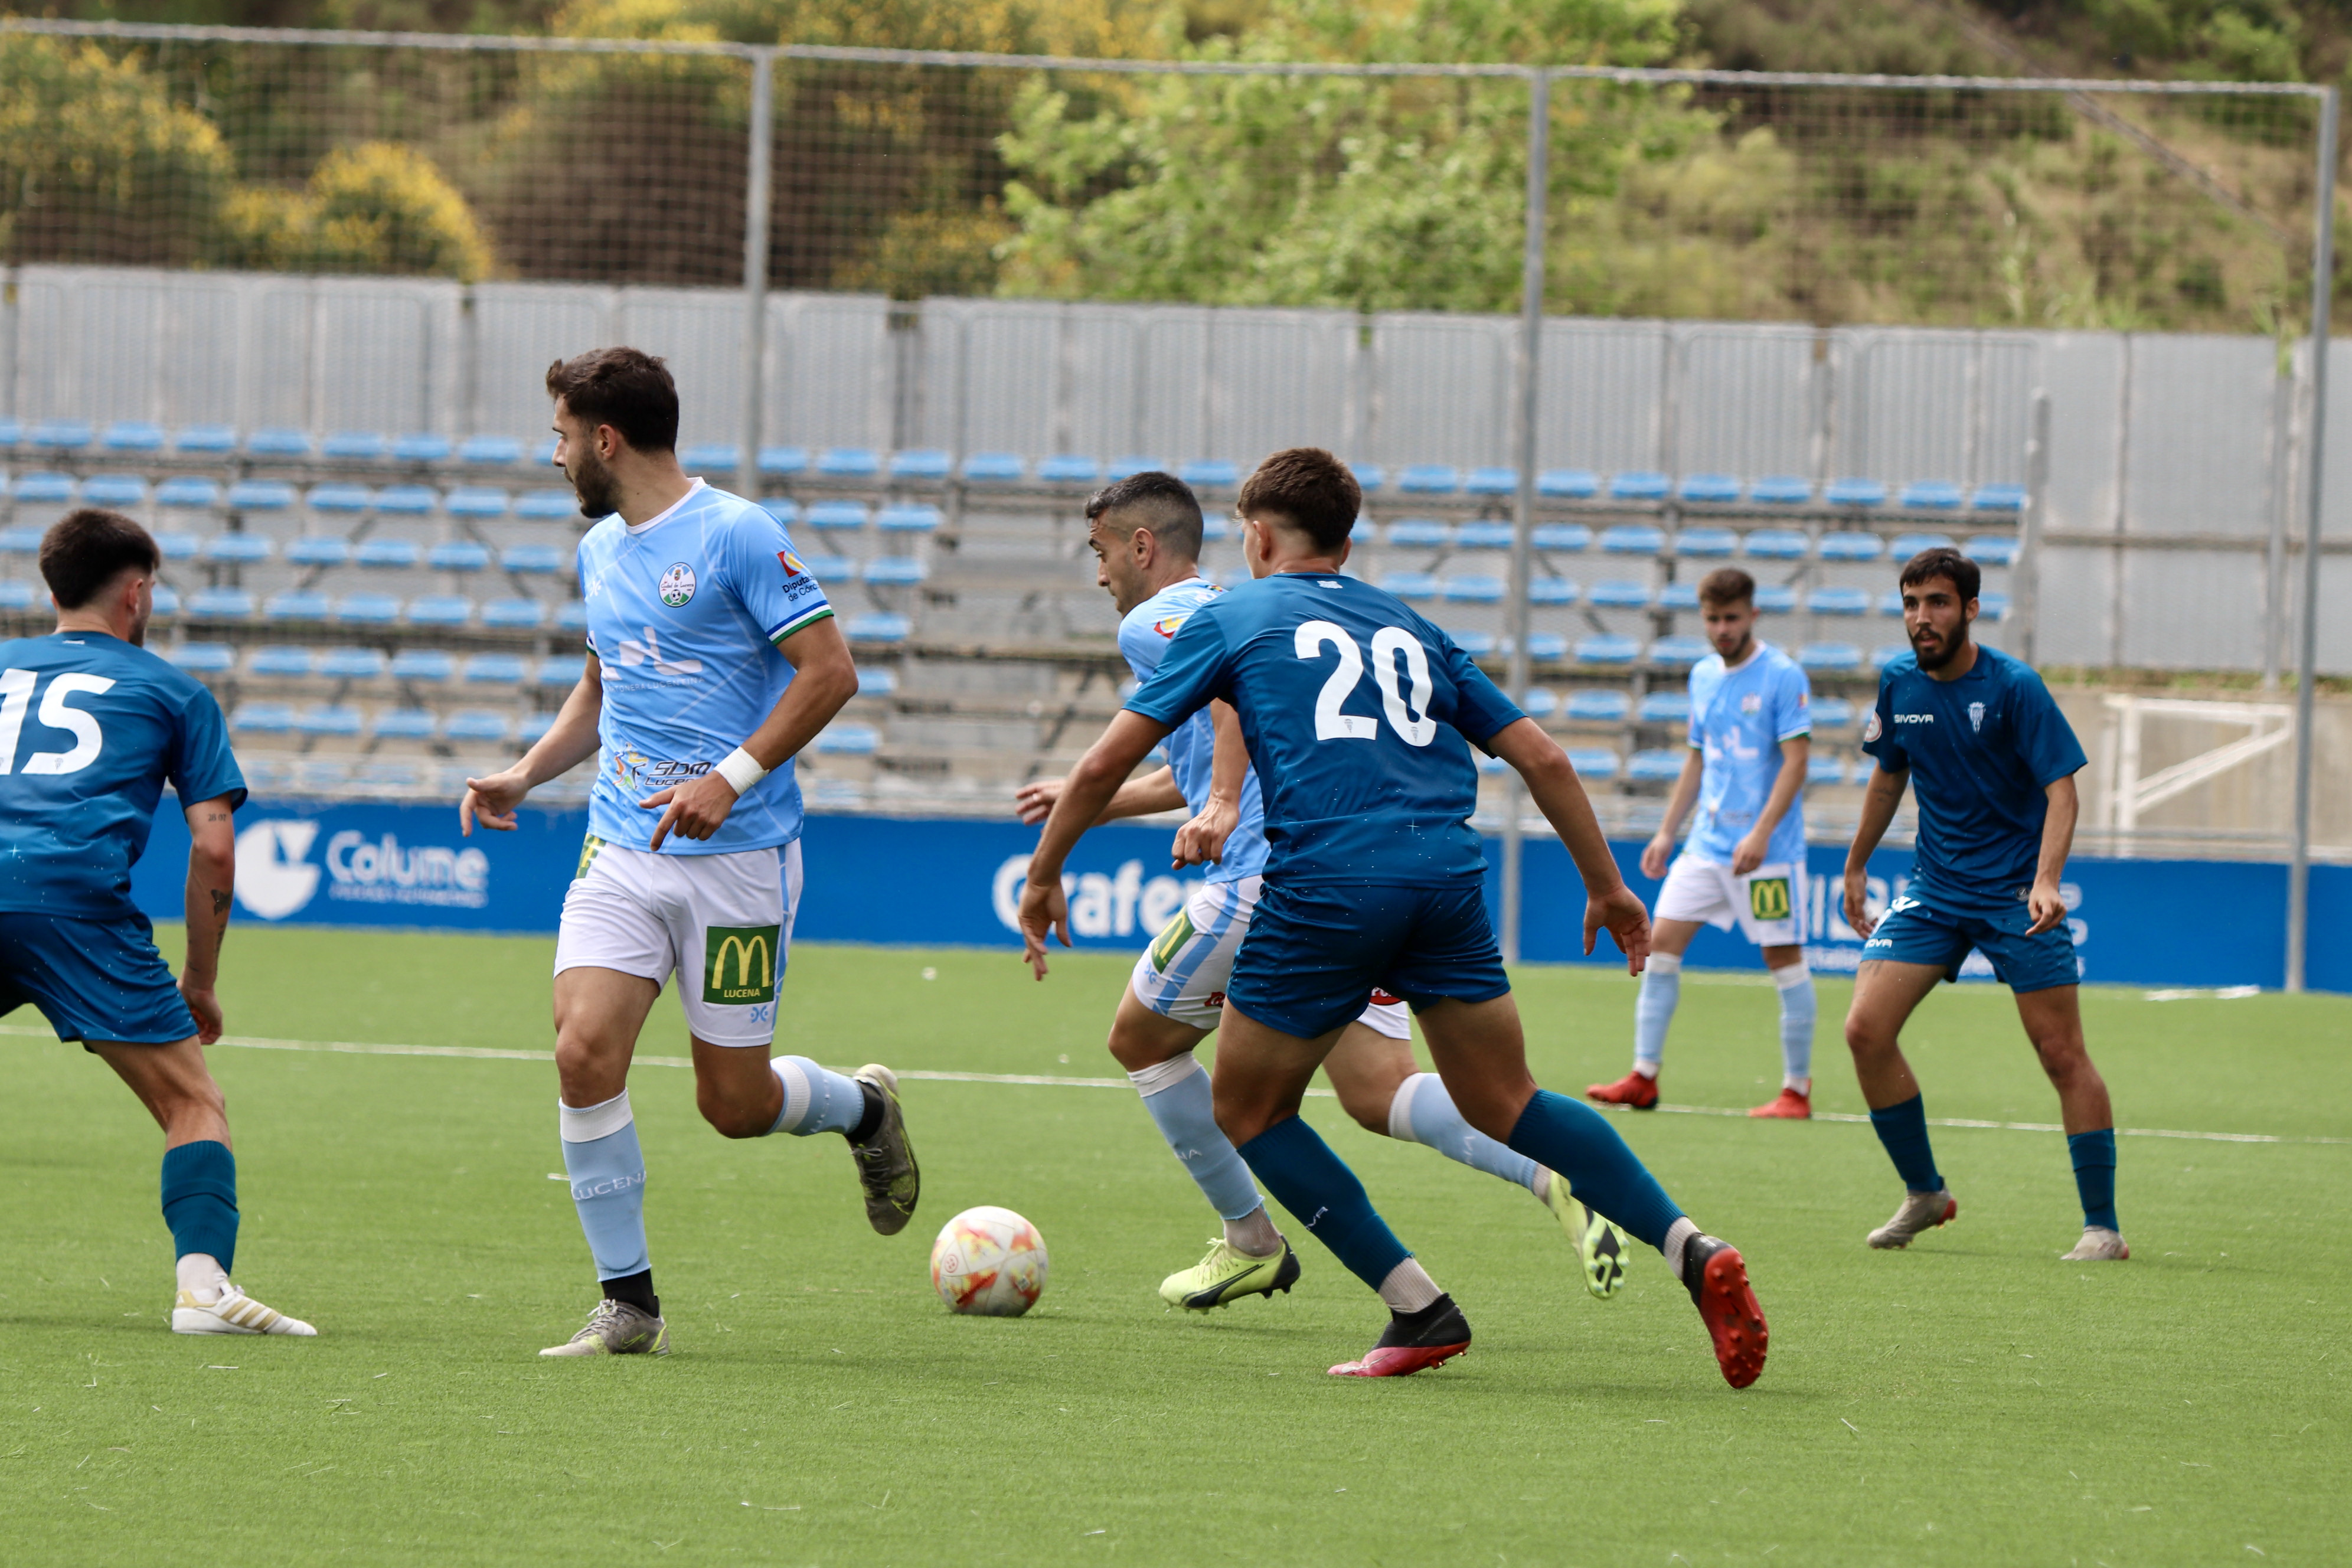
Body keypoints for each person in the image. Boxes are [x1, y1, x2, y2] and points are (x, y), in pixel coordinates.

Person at [1017, 447, 1767, 1386]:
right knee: (1510, 1102)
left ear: (1256, 537)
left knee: (1246, 1108)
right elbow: (1546, 761)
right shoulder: (1409, 623)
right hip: (1446, 882)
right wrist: (1610, 889)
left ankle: (1417, 1305)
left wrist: (1045, 875)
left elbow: (1096, 767)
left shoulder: (1235, 614)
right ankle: (1692, 1248)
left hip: (1325, 884)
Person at [461, 347, 919, 1357]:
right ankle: (629, 1303)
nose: (555, 456)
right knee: (581, 1051)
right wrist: (526, 773)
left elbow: (830, 671)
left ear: (605, 439)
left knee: (735, 1105)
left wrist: (731, 777)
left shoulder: (737, 534)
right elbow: (602, 688)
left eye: (560, 435)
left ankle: (861, 1107)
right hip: (620, 847)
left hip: (740, 858)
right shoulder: (600, 553)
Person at [0, 509, 313, 1337]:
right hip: (75, 904)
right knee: (192, 1104)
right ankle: (204, 1291)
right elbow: (214, 849)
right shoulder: (171, 689)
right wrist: (200, 982)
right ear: (136, 595)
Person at [1842, 547, 2124, 1262]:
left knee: (2062, 1054)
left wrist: (2047, 878)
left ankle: (2103, 1227)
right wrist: (1855, 862)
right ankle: (1925, 1193)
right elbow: (1887, 778)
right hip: (1935, 891)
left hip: (2013, 897)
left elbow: (2064, 790)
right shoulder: (1898, 683)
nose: (1921, 618)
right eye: (1911, 604)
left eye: (1936, 603)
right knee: (1864, 1031)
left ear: (1970, 609)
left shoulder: (2015, 687)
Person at [1589, 567, 1818, 1118]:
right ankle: (1644, 1076)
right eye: (1713, 619)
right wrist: (1669, 830)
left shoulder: (1784, 677)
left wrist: (1761, 833)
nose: (1722, 629)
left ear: (1753, 615)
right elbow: (1698, 757)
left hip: (1767, 856)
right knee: (1659, 945)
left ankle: (1796, 1091)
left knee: (1783, 959)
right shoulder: (1703, 677)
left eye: (1732, 618)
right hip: (1707, 848)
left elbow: (1798, 762)